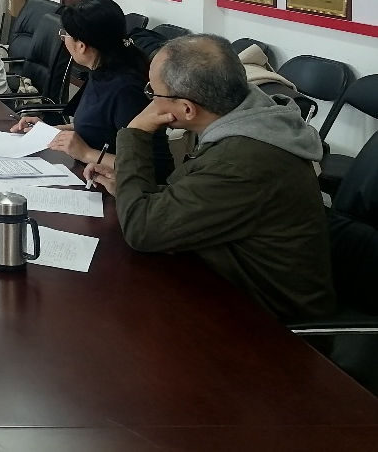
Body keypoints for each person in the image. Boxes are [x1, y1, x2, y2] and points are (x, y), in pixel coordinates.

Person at [84, 33, 334, 322]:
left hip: (267, 320)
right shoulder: (250, 119)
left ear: (186, 109)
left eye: (153, 93)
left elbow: (142, 231)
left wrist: (135, 132)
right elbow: (208, 195)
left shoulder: (240, 162)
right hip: (220, 281)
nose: (149, 101)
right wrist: (131, 189)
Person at [12, 0, 173, 182]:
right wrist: (48, 130)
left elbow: (154, 169)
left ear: (81, 46)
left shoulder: (126, 90)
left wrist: (86, 153)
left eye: (65, 34)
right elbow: (99, 127)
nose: (62, 38)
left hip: (125, 190)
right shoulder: (102, 71)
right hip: (91, 175)